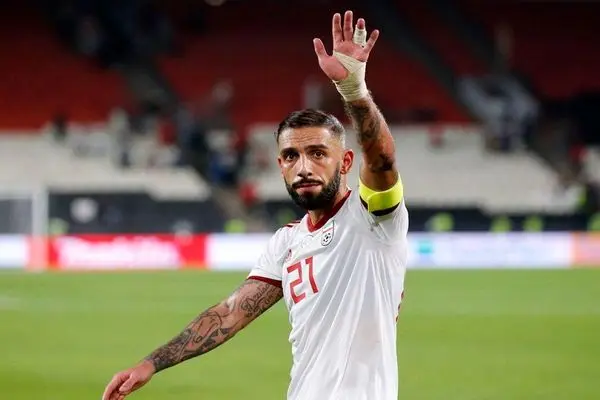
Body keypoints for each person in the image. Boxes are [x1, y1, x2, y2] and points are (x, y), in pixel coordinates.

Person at [102, 10, 408, 400]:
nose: (303, 167)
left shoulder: (374, 219)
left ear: (346, 162)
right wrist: (150, 363)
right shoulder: (287, 243)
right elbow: (230, 312)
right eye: (292, 156)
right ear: (280, 166)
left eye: (318, 153)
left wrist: (354, 92)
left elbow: (381, 160)